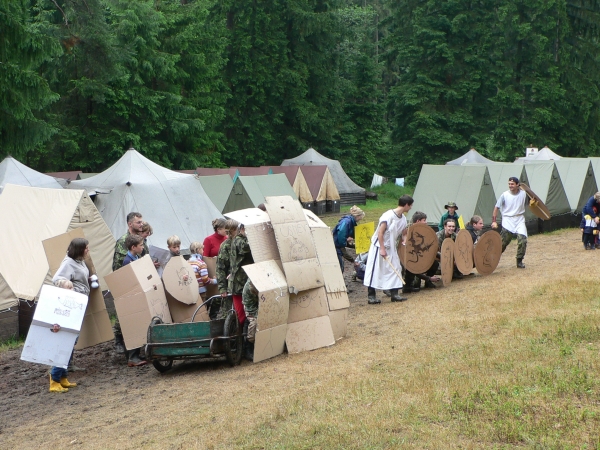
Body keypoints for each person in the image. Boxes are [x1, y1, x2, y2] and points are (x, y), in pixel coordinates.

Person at [49, 238, 92, 393]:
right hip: (70, 306)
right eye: (86, 248)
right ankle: (54, 380)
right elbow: (57, 279)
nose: (88, 250)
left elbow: (79, 277)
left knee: (72, 340)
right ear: (79, 249)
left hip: (78, 305)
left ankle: (63, 377)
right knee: (65, 342)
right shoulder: (68, 263)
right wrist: (67, 285)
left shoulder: (80, 261)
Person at [363, 195, 414, 304]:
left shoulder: (403, 219)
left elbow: (404, 233)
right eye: (410, 205)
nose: (411, 208)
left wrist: (404, 240)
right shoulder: (388, 215)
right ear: (406, 205)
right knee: (375, 269)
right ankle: (371, 296)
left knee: (396, 268)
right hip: (378, 246)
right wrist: (382, 249)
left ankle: (394, 294)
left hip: (391, 247)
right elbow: (380, 233)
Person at [492, 177, 528, 268]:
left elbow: (533, 200)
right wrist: (494, 221)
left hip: (519, 219)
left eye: (512, 184)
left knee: (523, 240)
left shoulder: (524, 193)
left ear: (517, 184)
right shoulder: (505, 195)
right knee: (503, 243)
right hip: (508, 220)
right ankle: (492, 260)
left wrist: (534, 203)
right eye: (509, 184)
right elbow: (496, 208)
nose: (510, 186)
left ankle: (519, 261)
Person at [403, 211, 440, 291]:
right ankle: (407, 286)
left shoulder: (423, 231)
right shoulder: (408, 232)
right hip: (410, 260)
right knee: (416, 283)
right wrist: (428, 278)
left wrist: (442, 256)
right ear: (418, 221)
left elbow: (428, 249)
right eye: (424, 220)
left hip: (420, 257)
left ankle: (428, 282)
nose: (426, 222)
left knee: (434, 263)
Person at [229, 224, 253, 324]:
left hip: (246, 281)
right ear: (242, 229)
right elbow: (245, 247)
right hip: (238, 283)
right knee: (242, 316)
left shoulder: (242, 239)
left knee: (249, 312)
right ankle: (240, 332)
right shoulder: (238, 240)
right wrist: (254, 237)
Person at [216, 219, 240, 319]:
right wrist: (222, 288)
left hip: (243, 283)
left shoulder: (244, 243)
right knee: (229, 314)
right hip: (230, 285)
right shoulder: (226, 245)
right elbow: (220, 268)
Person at [332, 206, 365, 272]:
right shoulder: (347, 222)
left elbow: (351, 234)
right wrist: (346, 241)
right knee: (340, 268)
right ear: (357, 216)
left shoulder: (351, 222)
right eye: (360, 217)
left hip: (337, 244)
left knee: (340, 267)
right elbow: (341, 238)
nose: (360, 219)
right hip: (335, 245)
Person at [242, 279, 258, 361]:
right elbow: (251, 309)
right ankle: (249, 346)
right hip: (251, 307)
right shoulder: (249, 288)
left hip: (260, 303)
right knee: (254, 322)